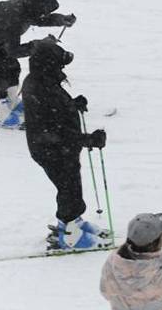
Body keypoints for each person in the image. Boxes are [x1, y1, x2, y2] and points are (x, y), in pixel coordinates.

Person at [21, 37, 108, 250]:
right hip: (51, 148)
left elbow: (57, 111)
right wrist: (87, 139)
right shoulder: (40, 88)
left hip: (60, 148)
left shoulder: (43, 79)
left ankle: (73, 222)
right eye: (59, 62)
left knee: (71, 185)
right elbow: (54, 130)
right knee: (68, 187)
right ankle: (70, 235)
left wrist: (73, 104)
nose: (61, 67)